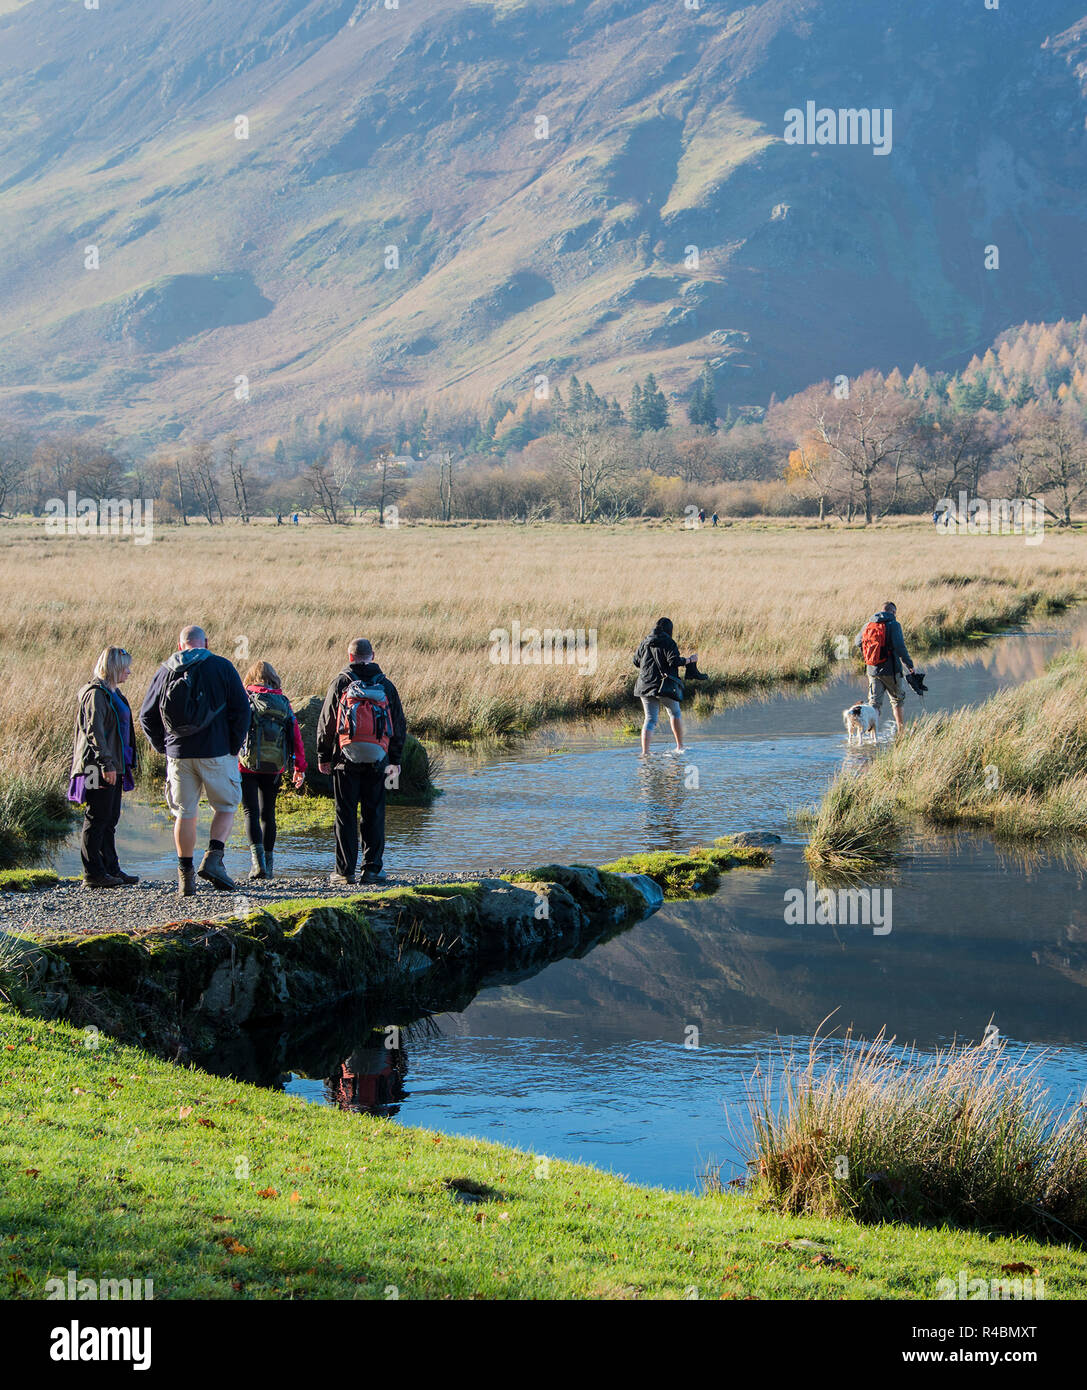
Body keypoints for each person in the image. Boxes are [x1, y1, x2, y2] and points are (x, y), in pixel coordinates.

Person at [139, 625, 251, 897]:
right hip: (217, 752)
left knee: (184, 813)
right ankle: (213, 858)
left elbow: (145, 715)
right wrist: (234, 746)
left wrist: (163, 747)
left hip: (178, 754)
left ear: (180, 645)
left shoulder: (165, 670)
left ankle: (185, 878)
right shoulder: (222, 667)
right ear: (206, 643)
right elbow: (242, 710)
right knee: (226, 806)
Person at [316, 638, 406, 886]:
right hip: (380, 760)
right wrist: (395, 760)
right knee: (374, 813)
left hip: (345, 760)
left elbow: (326, 724)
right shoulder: (386, 685)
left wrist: (324, 757)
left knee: (345, 815)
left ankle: (344, 872)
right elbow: (398, 725)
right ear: (372, 655)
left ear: (350, 656)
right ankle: (373, 870)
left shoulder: (341, 682)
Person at [68, 646, 139, 889]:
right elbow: (94, 732)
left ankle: (111, 868)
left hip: (115, 764)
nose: (129, 672)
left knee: (111, 818)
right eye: (125, 667)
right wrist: (106, 764)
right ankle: (93, 873)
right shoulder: (95, 694)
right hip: (96, 766)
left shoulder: (114, 693)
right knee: (97, 817)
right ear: (113, 668)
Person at [238, 660, 307, 880]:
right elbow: (295, 736)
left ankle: (257, 865)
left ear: (250, 678)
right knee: (268, 814)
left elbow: (235, 729)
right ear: (274, 679)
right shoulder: (283, 702)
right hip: (275, 766)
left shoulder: (245, 698)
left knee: (251, 812)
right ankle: (269, 866)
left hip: (246, 765)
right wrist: (299, 767)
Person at [632, 618, 698, 757]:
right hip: (665, 685)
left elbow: (636, 662)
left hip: (645, 684)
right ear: (670, 630)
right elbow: (673, 661)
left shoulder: (645, 641)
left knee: (649, 719)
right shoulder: (669, 642)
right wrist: (689, 660)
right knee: (675, 713)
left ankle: (645, 752)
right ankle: (680, 746)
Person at [855, 600, 916, 734]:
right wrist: (909, 665)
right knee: (897, 701)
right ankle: (901, 731)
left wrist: (870, 657)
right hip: (892, 671)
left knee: (874, 704)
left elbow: (857, 642)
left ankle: (873, 735)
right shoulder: (894, 625)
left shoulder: (868, 624)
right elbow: (900, 647)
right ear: (893, 612)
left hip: (872, 670)